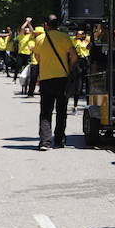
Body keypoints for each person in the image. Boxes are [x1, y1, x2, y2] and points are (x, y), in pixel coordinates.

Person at [31, 15, 77, 149]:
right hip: (62, 77)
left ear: (46, 25)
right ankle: (59, 139)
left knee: (46, 111)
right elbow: (74, 55)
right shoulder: (64, 37)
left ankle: (45, 141)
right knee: (61, 110)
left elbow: (37, 57)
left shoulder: (39, 39)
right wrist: (69, 68)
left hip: (46, 78)